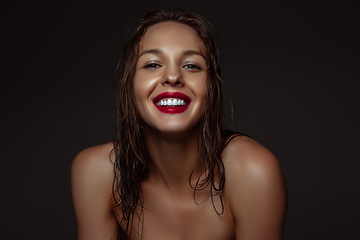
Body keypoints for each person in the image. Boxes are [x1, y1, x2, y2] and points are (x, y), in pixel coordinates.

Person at [71, 9, 287, 240]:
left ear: (211, 88)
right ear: (130, 85)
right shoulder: (98, 172)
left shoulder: (252, 171)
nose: (173, 76)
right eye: (153, 64)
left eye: (191, 66)